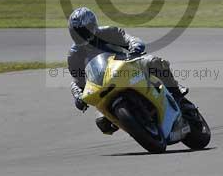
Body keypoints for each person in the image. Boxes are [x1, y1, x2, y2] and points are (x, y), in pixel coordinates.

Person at [67, 7, 188, 135]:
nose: (81, 35)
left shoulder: (108, 32)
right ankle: (136, 125)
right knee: (102, 122)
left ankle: (176, 93)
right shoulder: (74, 55)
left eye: (83, 31)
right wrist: (78, 96)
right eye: (77, 32)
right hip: (105, 84)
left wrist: (135, 46)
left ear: (92, 26)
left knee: (155, 63)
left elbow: (128, 38)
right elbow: (77, 80)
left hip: (129, 65)